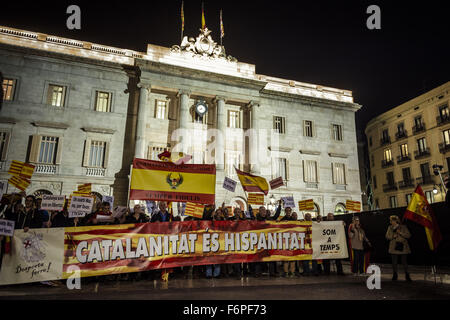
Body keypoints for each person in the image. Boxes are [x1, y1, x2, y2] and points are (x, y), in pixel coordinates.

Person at [254, 201, 282, 277]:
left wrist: (279, 206)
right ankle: (257, 273)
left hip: (269, 241)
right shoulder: (256, 220)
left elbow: (276, 215)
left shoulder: (270, 218)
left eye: (264, 210)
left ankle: (272, 272)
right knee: (259, 257)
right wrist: (249, 206)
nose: (263, 212)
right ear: (259, 212)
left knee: (271, 257)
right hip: (260, 241)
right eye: (262, 210)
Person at [386, 215, 412, 281]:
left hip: (403, 246)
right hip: (393, 247)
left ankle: (407, 275)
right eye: (390, 220)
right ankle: (395, 275)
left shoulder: (403, 227)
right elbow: (387, 236)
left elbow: (408, 235)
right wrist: (393, 236)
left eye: (391, 220)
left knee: (404, 262)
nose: (390, 222)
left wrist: (400, 233)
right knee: (394, 262)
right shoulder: (390, 227)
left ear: (395, 221)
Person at [281, 207, 296, 277]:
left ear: (290, 211)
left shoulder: (293, 219)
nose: (288, 212)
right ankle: (286, 272)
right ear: (285, 211)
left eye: (289, 211)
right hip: (285, 240)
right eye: (287, 211)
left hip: (293, 239)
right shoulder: (282, 219)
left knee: (293, 257)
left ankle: (292, 272)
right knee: (286, 257)